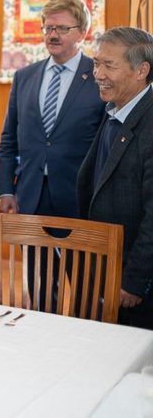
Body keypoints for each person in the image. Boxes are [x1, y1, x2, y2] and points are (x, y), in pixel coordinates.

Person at [0, 0, 104, 308]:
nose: (52, 35)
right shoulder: (24, 77)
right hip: (33, 196)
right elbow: (8, 141)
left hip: (80, 197)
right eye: (47, 28)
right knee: (41, 288)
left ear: (82, 31)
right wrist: (6, 189)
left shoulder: (99, 76)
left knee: (86, 287)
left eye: (61, 28)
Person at [77, 27, 153, 329]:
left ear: (141, 70)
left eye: (109, 65)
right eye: (97, 63)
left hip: (135, 282)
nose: (98, 73)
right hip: (107, 268)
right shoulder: (114, 111)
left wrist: (135, 280)